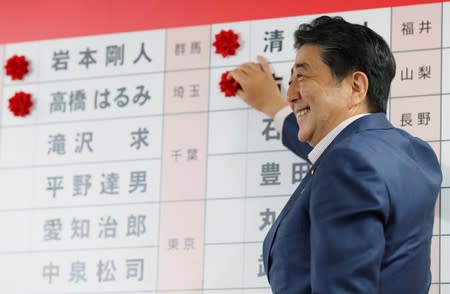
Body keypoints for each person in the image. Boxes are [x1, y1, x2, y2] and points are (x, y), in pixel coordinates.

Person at [229, 16, 442, 294]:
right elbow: (336, 152)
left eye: (302, 77)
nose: (291, 94)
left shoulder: (348, 163)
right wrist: (273, 105)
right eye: (290, 80)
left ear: (356, 87)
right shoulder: (415, 153)